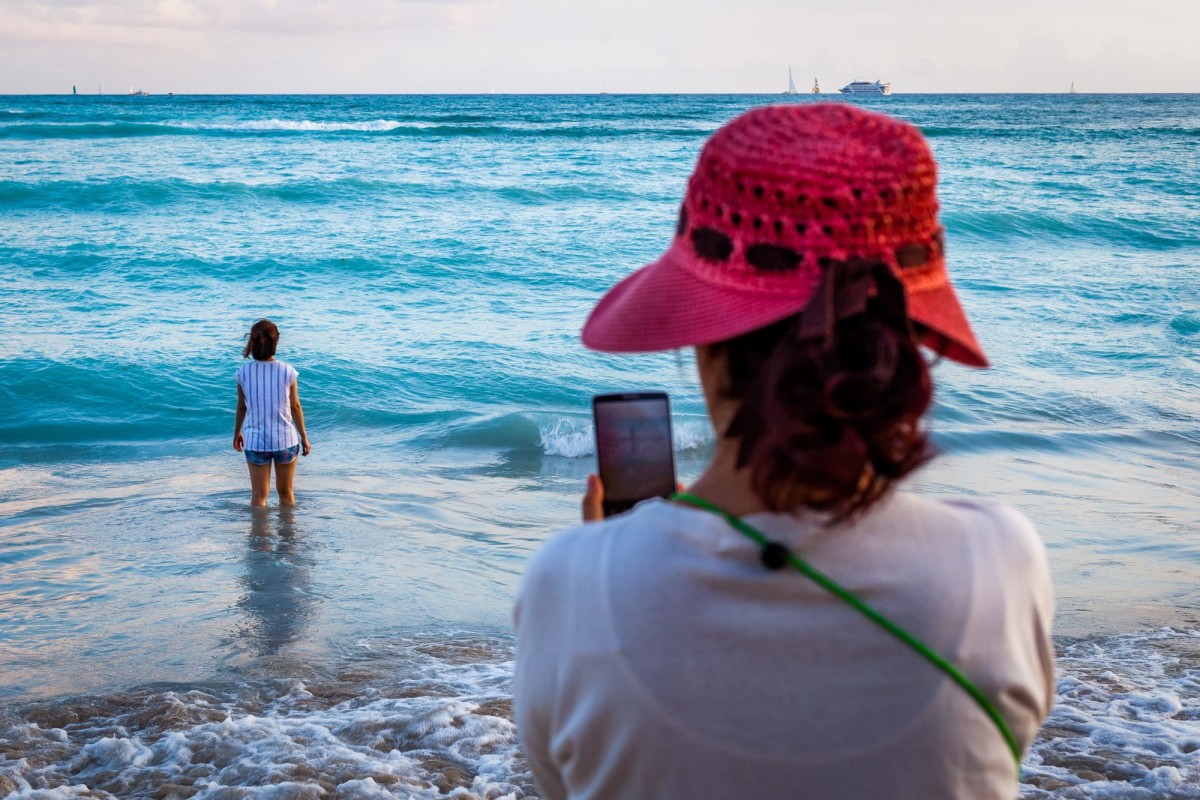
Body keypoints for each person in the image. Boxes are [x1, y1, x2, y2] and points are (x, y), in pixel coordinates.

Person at [513, 104, 1055, 799]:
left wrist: (616, 568)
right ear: (902, 343)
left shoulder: (571, 581)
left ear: (703, 336)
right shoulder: (1001, 560)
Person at [232, 319, 311, 507]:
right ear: (276, 341)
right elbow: (295, 407)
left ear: (251, 343)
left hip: (256, 441)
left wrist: (237, 433)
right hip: (285, 441)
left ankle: (259, 536)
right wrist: (305, 437)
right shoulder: (287, 371)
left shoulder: (243, 373)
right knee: (286, 495)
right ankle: (289, 535)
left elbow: (242, 407)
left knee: (259, 497)